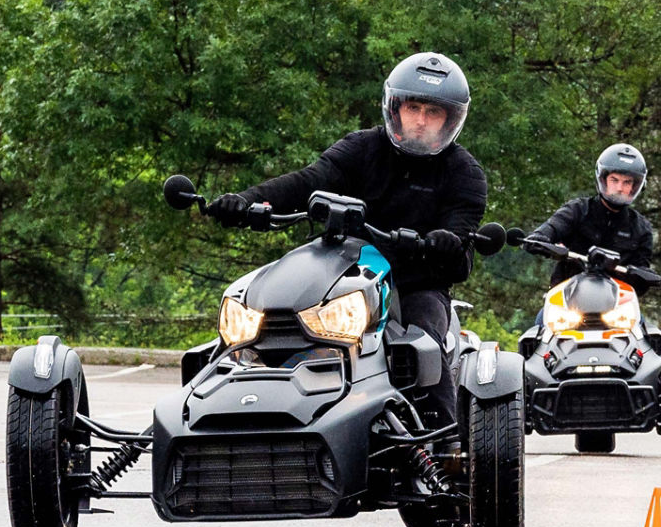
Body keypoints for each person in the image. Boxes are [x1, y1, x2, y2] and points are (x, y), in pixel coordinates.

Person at [206, 52, 485, 428]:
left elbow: (462, 237)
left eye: (432, 112)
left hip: (415, 285)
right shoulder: (361, 148)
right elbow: (307, 182)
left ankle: (444, 455)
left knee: (424, 349)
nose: (421, 120)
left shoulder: (464, 173)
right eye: (414, 107)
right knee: (245, 330)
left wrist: (445, 242)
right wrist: (246, 201)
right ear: (395, 107)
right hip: (341, 280)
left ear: (449, 120)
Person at [527, 143, 655, 286]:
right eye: (614, 180)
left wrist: (648, 276)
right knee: (546, 310)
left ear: (635, 186)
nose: (620, 188)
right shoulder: (577, 210)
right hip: (567, 293)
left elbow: (641, 274)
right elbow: (552, 228)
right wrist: (539, 238)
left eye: (627, 182)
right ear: (603, 179)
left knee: (635, 309)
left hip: (615, 301)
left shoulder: (641, 228)